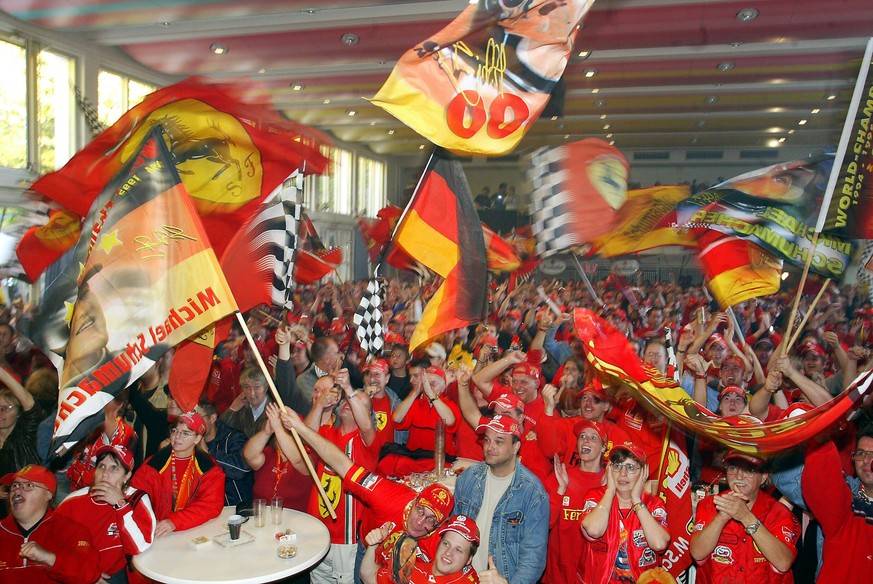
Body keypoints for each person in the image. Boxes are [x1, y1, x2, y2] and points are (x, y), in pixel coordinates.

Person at [277, 405, 454, 581]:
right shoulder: (387, 495)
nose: (419, 522)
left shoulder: (441, 540)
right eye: (421, 511)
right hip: (369, 545)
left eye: (431, 519)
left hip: (401, 558)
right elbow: (341, 463)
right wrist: (300, 428)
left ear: (440, 525)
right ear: (415, 501)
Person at [452, 415, 549, 584]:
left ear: (515, 447)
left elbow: (533, 558)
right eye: (487, 440)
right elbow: (452, 532)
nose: (490, 447)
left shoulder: (532, 493)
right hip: (463, 578)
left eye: (499, 441)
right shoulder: (468, 478)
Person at [690, 451, 799, 584]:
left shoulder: (778, 512)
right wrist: (721, 518)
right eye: (733, 468)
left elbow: (783, 563)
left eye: (748, 469)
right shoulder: (709, 504)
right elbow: (697, 554)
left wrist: (746, 517)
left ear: (764, 476)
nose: (739, 475)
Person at [55, 445, 155, 584]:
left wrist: (121, 505)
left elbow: (140, 547)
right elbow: (51, 547)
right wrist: (85, 573)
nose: (105, 473)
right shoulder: (72, 502)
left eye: (114, 468)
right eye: (101, 466)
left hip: (117, 575)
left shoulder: (136, 499)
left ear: (127, 476)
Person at [579, 441, 670, 583]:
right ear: (609, 469)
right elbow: (594, 530)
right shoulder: (596, 497)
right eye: (617, 466)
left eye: (631, 467)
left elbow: (659, 544)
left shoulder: (654, 504)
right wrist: (609, 491)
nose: (622, 473)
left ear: (643, 472)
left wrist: (636, 500)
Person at [0, 464, 101, 584]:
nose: (17, 490)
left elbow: (88, 573)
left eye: (29, 486)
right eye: (15, 485)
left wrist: (50, 558)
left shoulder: (71, 531)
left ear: (48, 494)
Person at [131, 412, 225, 536]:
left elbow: (211, 505)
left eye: (185, 433)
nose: (177, 437)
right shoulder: (154, 464)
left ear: (197, 439)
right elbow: (135, 496)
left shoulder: (209, 469)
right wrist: (149, 519)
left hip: (196, 530)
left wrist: (174, 521)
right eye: (174, 431)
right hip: (158, 531)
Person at [801, 428, 873, 580]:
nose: (867, 460)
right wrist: (821, 440)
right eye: (860, 454)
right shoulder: (846, 504)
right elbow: (820, 480)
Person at [543, 420, 607, 584]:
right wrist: (561, 490)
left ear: (603, 447)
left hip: (593, 575)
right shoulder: (560, 475)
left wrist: (608, 490)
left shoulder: (610, 483)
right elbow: (545, 524)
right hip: (557, 574)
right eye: (582, 436)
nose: (585, 440)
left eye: (593, 438)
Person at [361, 514, 481, 584]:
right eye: (446, 544)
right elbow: (368, 576)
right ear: (438, 544)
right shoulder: (412, 569)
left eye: (458, 550)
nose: (448, 552)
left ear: (469, 559)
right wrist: (373, 545)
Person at [0, 367, 44, 518]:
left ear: (19, 413)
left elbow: (32, 407)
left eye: (6, 408)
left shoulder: (26, 436)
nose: (0, 412)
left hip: (28, 508)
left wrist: (2, 374)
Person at [197, 399, 252, 506]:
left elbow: (242, 469)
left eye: (198, 418)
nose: (194, 423)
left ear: (212, 418)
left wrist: (208, 453)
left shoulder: (233, 437)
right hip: (207, 507)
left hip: (236, 508)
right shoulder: (191, 441)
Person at [220, 367, 272, 438]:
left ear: (266, 388)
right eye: (247, 387)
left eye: (257, 387)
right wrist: (232, 410)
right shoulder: (240, 410)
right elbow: (220, 433)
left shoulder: (274, 411)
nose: (252, 393)